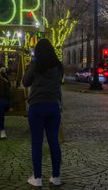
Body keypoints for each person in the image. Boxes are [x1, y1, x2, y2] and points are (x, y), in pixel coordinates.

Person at [22, 39, 63, 187]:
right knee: (54, 142)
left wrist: (28, 68)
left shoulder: (36, 64)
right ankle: (56, 176)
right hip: (53, 106)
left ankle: (37, 178)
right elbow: (58, 85)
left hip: (37, 105)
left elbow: (25, 82)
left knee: (37, 142)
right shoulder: (58, 66)